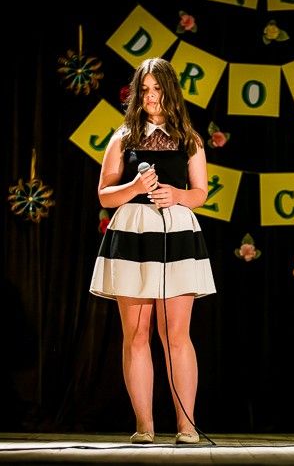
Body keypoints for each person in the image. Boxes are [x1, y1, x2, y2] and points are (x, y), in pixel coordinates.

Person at [89, 57, 216, 445]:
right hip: (133, 235)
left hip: (175, 234)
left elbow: (200, 192)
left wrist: (176, 195)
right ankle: (144, 426)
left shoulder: (189, 138)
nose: (150, 96)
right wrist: (134, 189)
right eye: (144, 89)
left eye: (157, 88)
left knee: (176, 334)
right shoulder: (123, 137)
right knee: (136, 334)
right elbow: (104, 194)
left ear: (170, 90)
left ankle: (186, 426)